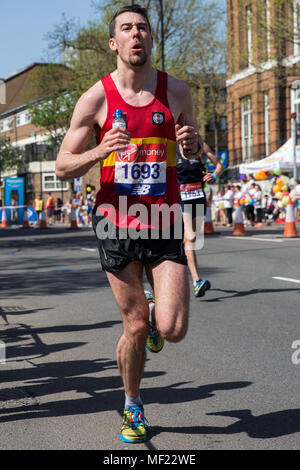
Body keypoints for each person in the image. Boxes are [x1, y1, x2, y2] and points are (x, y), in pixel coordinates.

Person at [55, 4, 204, 444]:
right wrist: (100, 152)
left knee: (172, 329)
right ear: (113, 43)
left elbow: (195, 153)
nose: (136, 34)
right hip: (115, 222)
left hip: (162, 217)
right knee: (135, 324)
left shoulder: (176, 92)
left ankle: (157, 324)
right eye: (126, 28)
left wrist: (194, 143)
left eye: (143, 28)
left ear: (151, 40)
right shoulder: (95, 98)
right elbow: (63, 165)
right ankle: (133, 404)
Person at [177, 143, 223, 297]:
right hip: (180, 200)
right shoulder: (171, 147)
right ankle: (197, 280)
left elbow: (219, 165)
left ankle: (181, 267)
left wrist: (214, 175)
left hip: (198, 198)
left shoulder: (201, 147)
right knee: (191, 237)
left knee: (189, 241)